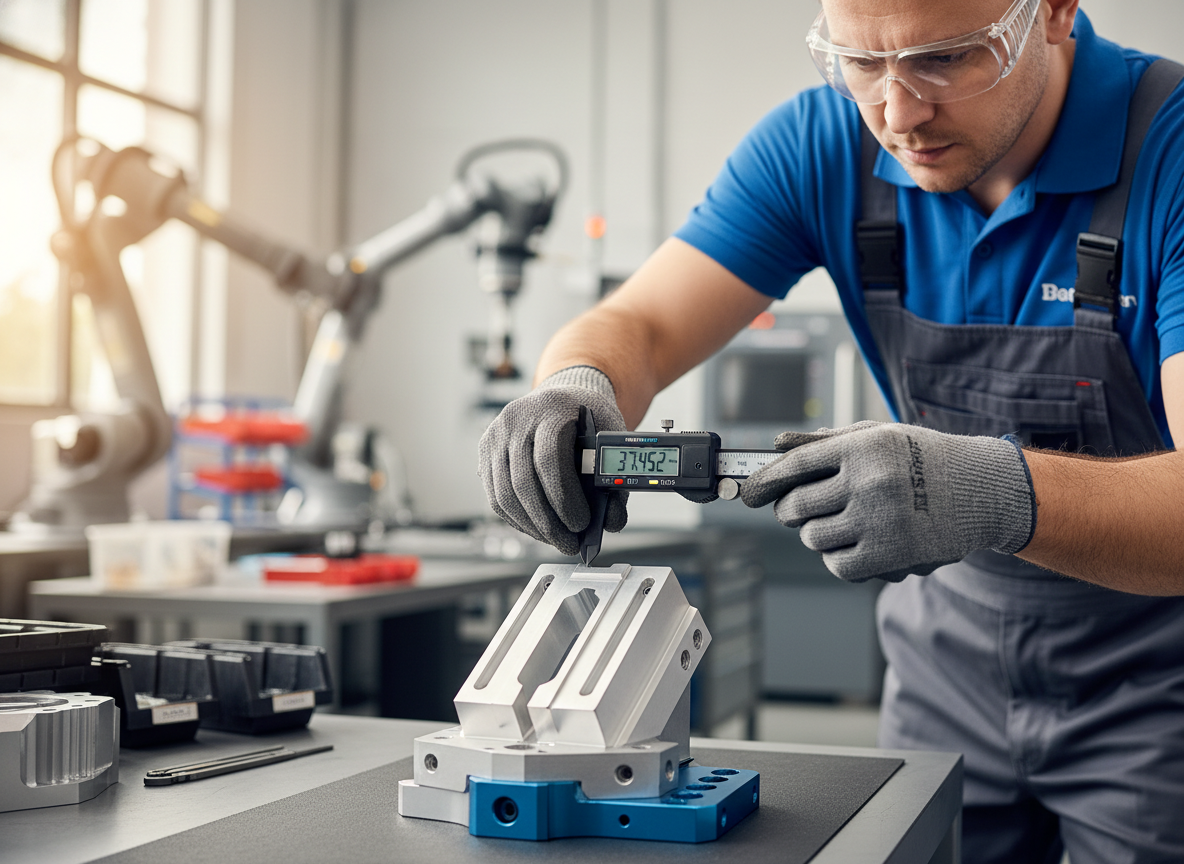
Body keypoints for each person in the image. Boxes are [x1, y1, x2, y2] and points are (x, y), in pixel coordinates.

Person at [479, 1, 1184, 861]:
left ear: (1055, 11)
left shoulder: (1171, 152)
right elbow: (644, 326)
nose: (898, 113)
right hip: (945, 669)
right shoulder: (821, 146)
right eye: (859, 63)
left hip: (1158, 684)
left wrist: (992, 493)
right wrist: (575, 385)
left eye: (947, 58)